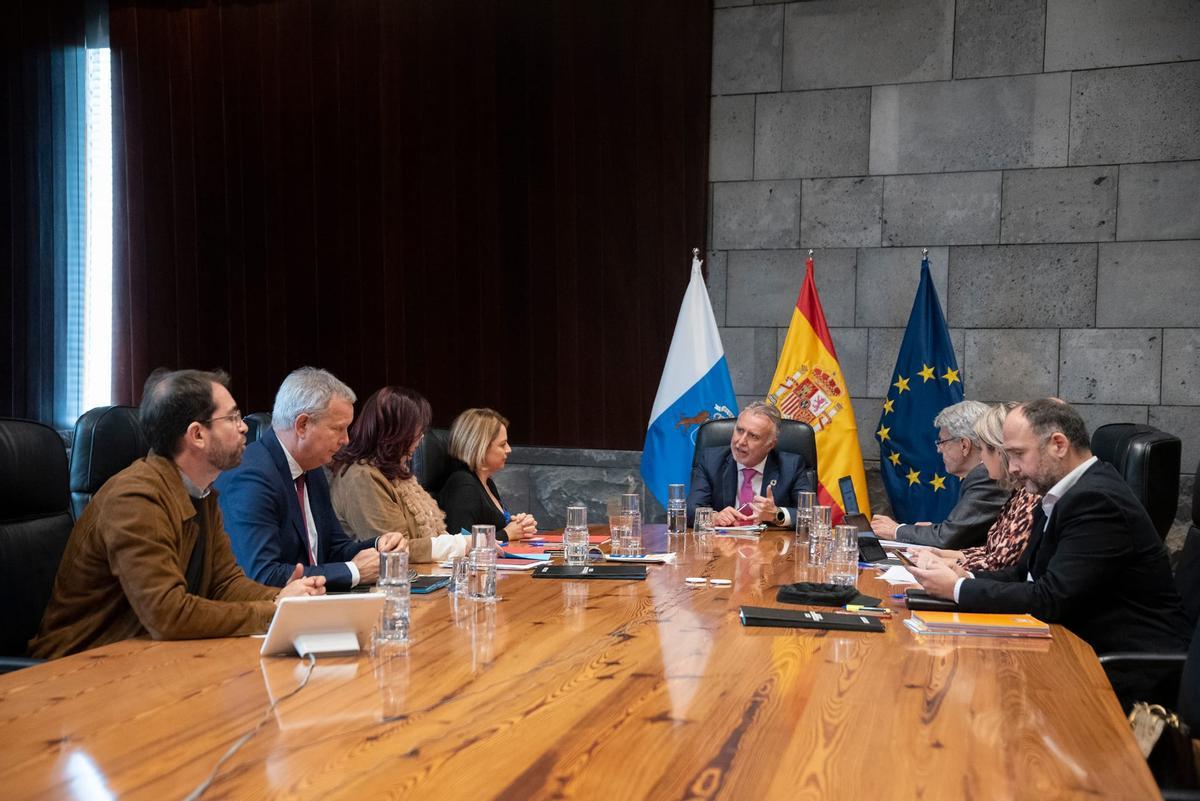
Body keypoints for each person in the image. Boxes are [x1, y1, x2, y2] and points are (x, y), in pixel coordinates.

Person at [29, 369, 325, 659]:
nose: (244, 427)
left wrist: (287, 599)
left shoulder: (202, 492)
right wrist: (273, 610)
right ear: (197, 434)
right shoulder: (135, 498)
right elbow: (168, 614)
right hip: (81, 666)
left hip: (146, 657)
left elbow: (224, 583)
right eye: (233, 418)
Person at [909, 399, 1190, 704]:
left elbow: (1050, 598)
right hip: (1069, 651)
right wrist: (965, 575)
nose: (1012, 468)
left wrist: (958, 589)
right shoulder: (1062, 492)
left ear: (1058, 444)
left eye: (1017, 454)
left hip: (1122, 675)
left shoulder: (1097, 501)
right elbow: (1023, 574)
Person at [215, 367, 404, 592]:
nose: (346, 440)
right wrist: (354, 571)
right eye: (338, 429)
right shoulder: (252, 476)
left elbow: (334, 548)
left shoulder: (311, 468)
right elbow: (263, 574)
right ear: (302, 425)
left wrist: (379, 546)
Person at [329, 386, 469, 563]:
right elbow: (394, 549)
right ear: (395, 432)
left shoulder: (396, 473)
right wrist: (460, 544)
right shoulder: (361, 477)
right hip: (383, 585)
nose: (421, 438)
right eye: (417, 431)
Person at [870, 399, 1007, 549]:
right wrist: (931, 531)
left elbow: (949, 538)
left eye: (942, 441)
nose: (939, 449)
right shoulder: (980, 474)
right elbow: (960, 532)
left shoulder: (986, 475)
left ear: (964, 445)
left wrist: (895, 530)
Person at [919, 402, 1039, 572]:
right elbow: (991, 551)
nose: (981, 459)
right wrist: (942, 555)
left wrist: (951, 565)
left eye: (982, 449)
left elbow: (1001, 564)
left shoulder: (1032, 495)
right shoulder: (1018, 494)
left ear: (999, 451)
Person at [686, 401, 815, 528]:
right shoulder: (711, 460)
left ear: (770, 445)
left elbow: (814, 515)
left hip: (771, 545)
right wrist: (714, 517)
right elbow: (691, 510)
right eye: (740, 430)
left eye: (753, 436)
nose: (741, 441)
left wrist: (776, 514)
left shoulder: (791, 466)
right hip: (723, 544)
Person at [438, 408, 537, 542]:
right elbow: (461, 543)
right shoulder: (464, 486)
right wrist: (507, 534)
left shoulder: (487, 482)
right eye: (502, 445)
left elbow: (495, 529)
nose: (509, 449)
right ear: (480, 447)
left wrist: (519, 525)